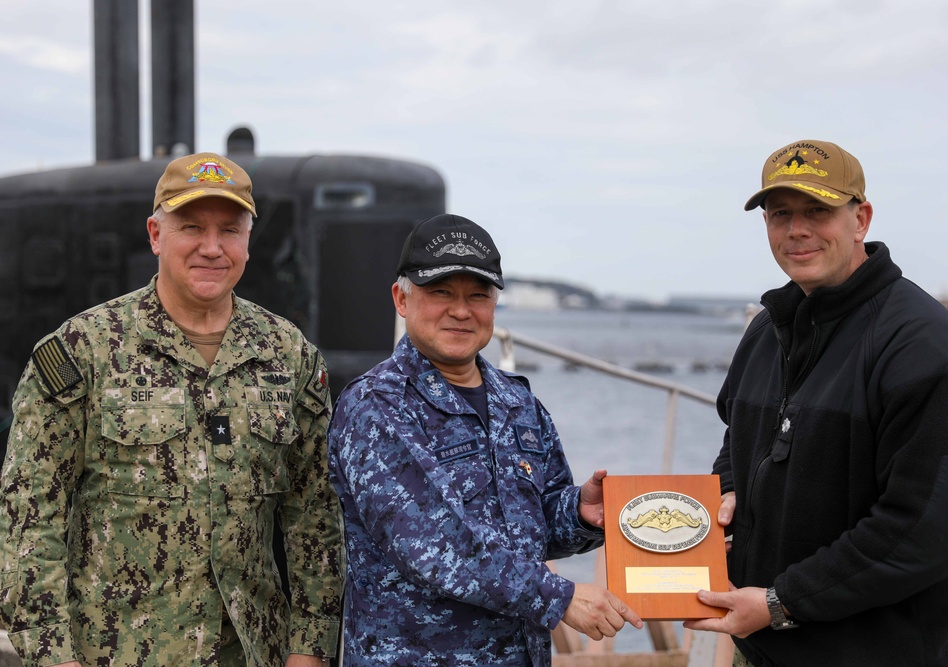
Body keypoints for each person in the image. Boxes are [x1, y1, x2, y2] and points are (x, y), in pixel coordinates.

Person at [0, 153, 345, 667]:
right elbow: (30, 515)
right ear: (156, 234)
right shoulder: (83, 351)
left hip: (253, 654)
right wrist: (53, 657)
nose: (212, 247)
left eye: (230, 229)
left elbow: (315, 515)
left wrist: (310, 649)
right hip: (116, 653)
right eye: (191, 227)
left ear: (249, 240)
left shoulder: (289, 356)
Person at [683, 139, 948, 666]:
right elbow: (735, 435)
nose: (796, 230)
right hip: (763, 650)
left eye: (818, 211)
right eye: (780, 214)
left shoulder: (923, 345)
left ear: (861, 218)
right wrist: (731, 485)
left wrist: (783, 603)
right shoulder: (766, 329)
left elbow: (924, 530)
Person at [327, 213, 642, 666]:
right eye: (441, 293)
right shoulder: (375, 406)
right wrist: (560, 597)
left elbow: (530, 529)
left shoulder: (517, 402)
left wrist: (580, 514)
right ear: (401, 298)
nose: (461, 310)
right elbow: (435, 545)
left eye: (478, 295)